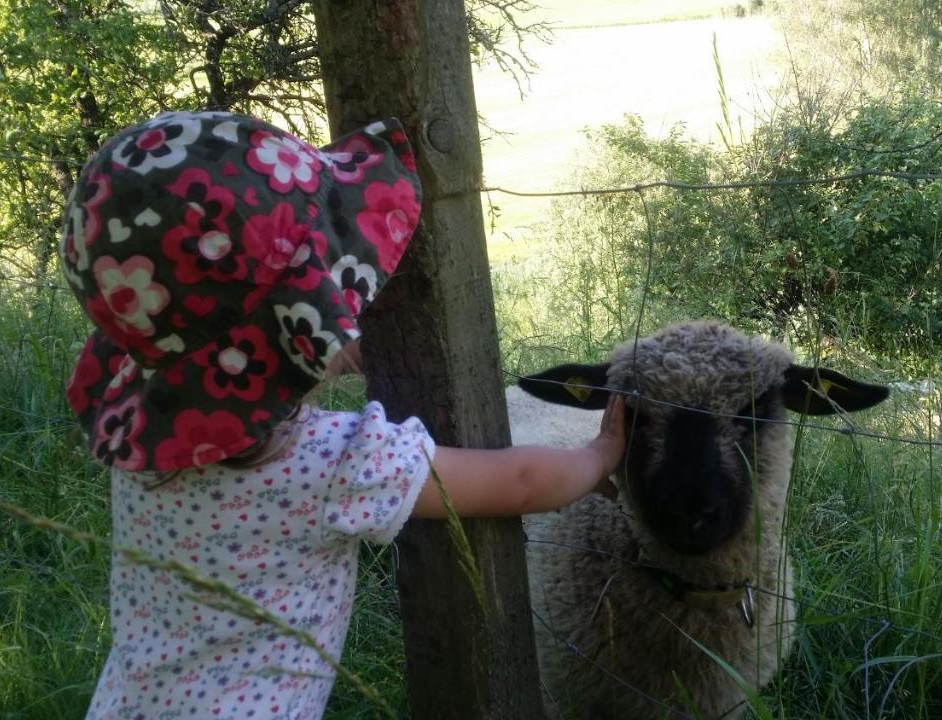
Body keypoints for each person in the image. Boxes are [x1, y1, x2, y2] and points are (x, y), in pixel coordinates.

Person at [61, 110, 626, 719]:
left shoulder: (143, 448)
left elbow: (236, 359)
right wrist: (599, 456)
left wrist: (322, 349)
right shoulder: (334, 463)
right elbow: (517, 481)